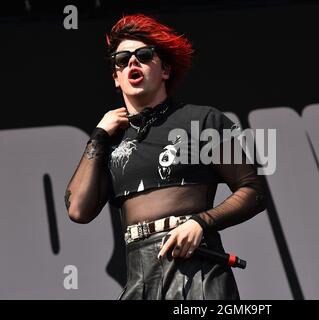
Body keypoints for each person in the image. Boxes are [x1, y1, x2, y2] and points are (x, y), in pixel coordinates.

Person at [64, 13, 266, 300]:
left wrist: (201, 222)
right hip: (139, 276)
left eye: (144, 55)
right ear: (116, 77)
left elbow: (253, 192)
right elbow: (78, 211)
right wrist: (97, 135)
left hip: (198, 271)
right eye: (122, 60)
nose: (132, 62)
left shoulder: (202, 120)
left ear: (166, 70)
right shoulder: (110, 143)